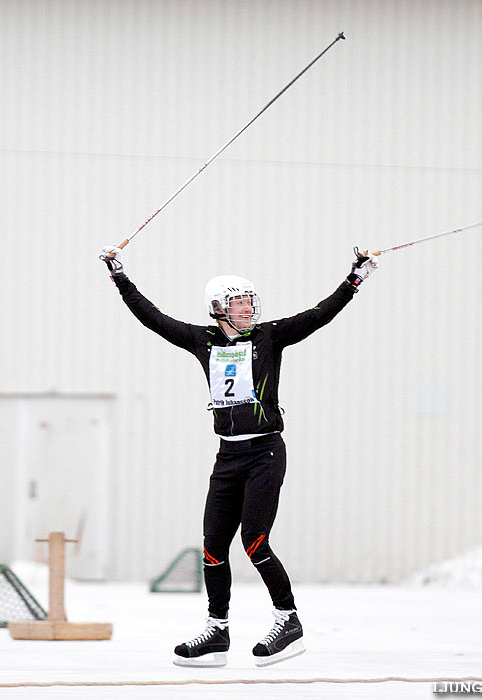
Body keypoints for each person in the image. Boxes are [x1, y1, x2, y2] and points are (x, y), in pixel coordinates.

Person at [100, 243, 379, 667]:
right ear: (218, 308)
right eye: (239, 303)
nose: (248, 308)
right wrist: (120, 276)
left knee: (255, 541)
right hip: (227, 458)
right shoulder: (201, 340)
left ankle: (288, 621)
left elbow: (319, 314)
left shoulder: (270, 337)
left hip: (265, 452)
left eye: (250, 301)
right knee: (213, 545)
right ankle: (217, 631)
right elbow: (153, 318)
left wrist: (354, 277)